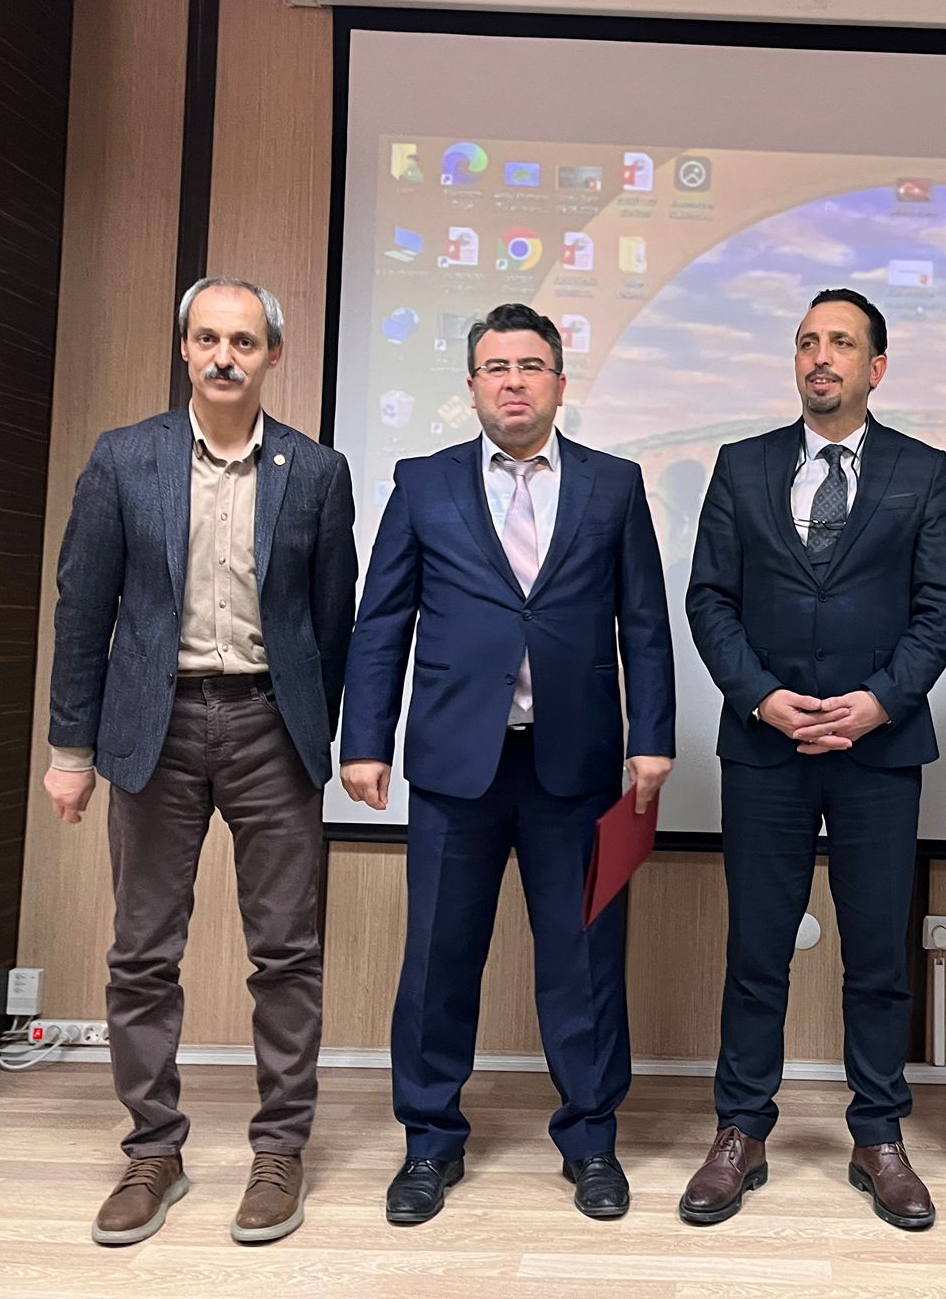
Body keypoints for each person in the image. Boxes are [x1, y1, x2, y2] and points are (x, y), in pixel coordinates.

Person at [340, 304, 675, 1226]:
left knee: (585, 961)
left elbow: (644, 623)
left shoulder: (614, 485)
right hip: (456, 766)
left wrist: (651, 735)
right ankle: (428, 1143)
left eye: (531, 366)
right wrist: (364, 740)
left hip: (577, 765)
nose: (514, 382)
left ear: (560, 384)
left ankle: (591, 1140)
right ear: (473, 385)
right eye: (496, 367)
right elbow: (382, 622)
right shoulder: (424, 483)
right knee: (438, 957)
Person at [44, 277, 357, 1247]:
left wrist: (319, 729)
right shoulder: (123, 459)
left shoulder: (316, 470)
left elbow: (334, 619)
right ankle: (153, 1152)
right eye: (209, 338)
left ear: (273, 355)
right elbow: (82, 610)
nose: (225, 356)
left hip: (271, 729)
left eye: (244, 341)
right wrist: (70, 749)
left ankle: (279, 1151)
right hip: (157, 729)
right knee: (143, 953)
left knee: (287, 952)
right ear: (184, 348)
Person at [681, 288, 946, 1231]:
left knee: (879, 950)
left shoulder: (921, 470)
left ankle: (879, 1135)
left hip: (877, 749)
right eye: (807, 342)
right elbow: (710, 598)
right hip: (767, 746)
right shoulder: (743, 464)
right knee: (757, 948)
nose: (820, 357)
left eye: (841, 343)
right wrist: (762, 697)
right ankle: (740, 1131)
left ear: (875, 367)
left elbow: (940, 607)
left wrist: (880, 701)